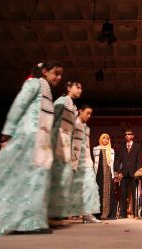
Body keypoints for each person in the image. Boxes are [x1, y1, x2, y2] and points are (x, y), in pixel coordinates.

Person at [0, 61, 63, 237]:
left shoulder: (46, 89)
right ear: (45, 71)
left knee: (34, 180)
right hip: (28, 136)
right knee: (10, 176)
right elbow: (20, 103)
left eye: (61, 74)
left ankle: (30, 221)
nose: (59, 77)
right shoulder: (34, 83)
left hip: (40, 140)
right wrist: (8, 130)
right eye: (56, 73)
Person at [48, 81, 82, 226]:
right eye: (78, 87)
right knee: (55, 175)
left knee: (63, 177)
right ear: (68, 88)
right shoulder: (62, 101)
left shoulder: (73, 106)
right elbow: (52, 119)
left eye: (81, 88)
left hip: (67, 142)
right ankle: (50, 213)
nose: (80, 90)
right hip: (58, 139)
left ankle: (56, 213)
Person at [68, 105, 101, 223]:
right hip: (75, 161)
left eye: (91, 114)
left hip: (86, 161)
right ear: (80, 111)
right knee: (76, 188)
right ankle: (74, 213)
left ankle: (88, 213)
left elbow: (87, 146)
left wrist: (90, 160)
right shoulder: (73, 124)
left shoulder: (87, 128)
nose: (89, 116)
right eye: (87, 113)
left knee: (91, 186)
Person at [114, 129, 142, 218]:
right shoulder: (121, 146)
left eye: (129, 134)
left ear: (133, 136)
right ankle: (123, 214)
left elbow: (139, 161)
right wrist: (118, 171)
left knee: (135, 194)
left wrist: (138, 173)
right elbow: (117, 160)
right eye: (125, 134)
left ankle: (135, 213)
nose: (127, 135)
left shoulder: (137, 146)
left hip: (134, 173)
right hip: (123, 173)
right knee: (123, 194)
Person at [93, 133, 117, 220]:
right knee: (99, 191)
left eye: (107, 139)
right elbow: (94, 162)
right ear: (100, 139)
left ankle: (109, 213)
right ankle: (98, 214)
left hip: (108, 173)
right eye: (104, 138)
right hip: (99, 173)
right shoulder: (96, 149)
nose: (105, 140)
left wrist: (113, 174)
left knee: (109, 192)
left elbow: (113, 164)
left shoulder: (111, 150)